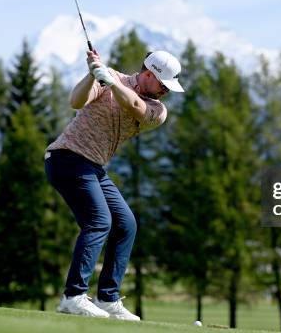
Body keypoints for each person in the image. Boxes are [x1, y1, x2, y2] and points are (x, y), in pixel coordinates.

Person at [45, 49, 184, 320]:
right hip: (67, 157)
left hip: (93, 167)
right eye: (164, 85)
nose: (166, 92)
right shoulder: (110, 78)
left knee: (125, 224)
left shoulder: (158, 109)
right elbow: (76, 101)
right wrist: (92, 75)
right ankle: (73, 296)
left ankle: (108, 298)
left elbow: (134, 107)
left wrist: (109, 80)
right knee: (99, 221)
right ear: (148, 74)